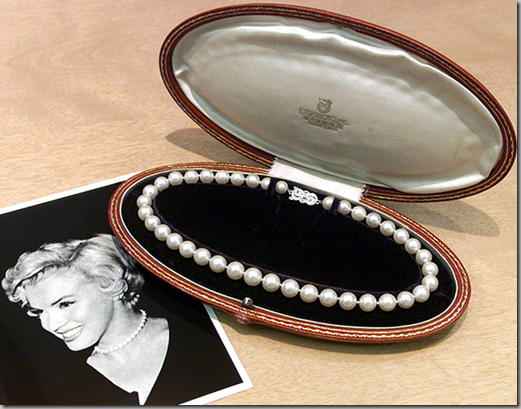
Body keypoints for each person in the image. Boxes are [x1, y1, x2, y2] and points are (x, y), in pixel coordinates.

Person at [2, 234, 170, 405]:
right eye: (39, 312)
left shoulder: (186, 332)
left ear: (109, 283)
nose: (50, 324)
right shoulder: (71, 392)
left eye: (65, 304)